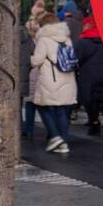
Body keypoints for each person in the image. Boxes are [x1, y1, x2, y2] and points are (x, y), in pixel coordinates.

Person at [31, 11, 77, 154]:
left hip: (50, 80)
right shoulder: (66, 39)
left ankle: (55, 136)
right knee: (62, 111)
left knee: (43, 107)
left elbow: (37, 61)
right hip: (68, 80)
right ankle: (63, 143)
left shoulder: (44, 40)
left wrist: (31, 58)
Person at [74, 13, 103, 136]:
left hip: (88, 75)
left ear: (87, 25)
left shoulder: (83, 42)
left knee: (88, 100)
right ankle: (95, 120)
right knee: (98, 98)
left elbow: (76, 59)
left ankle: (94, 123)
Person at [20, 24, 37, 138]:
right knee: (20, 102)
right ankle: (22, 128)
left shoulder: (7, 37)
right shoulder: (28, 38)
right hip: (24, 74)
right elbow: (33, 53)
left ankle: (19, 127)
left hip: (11, 74)